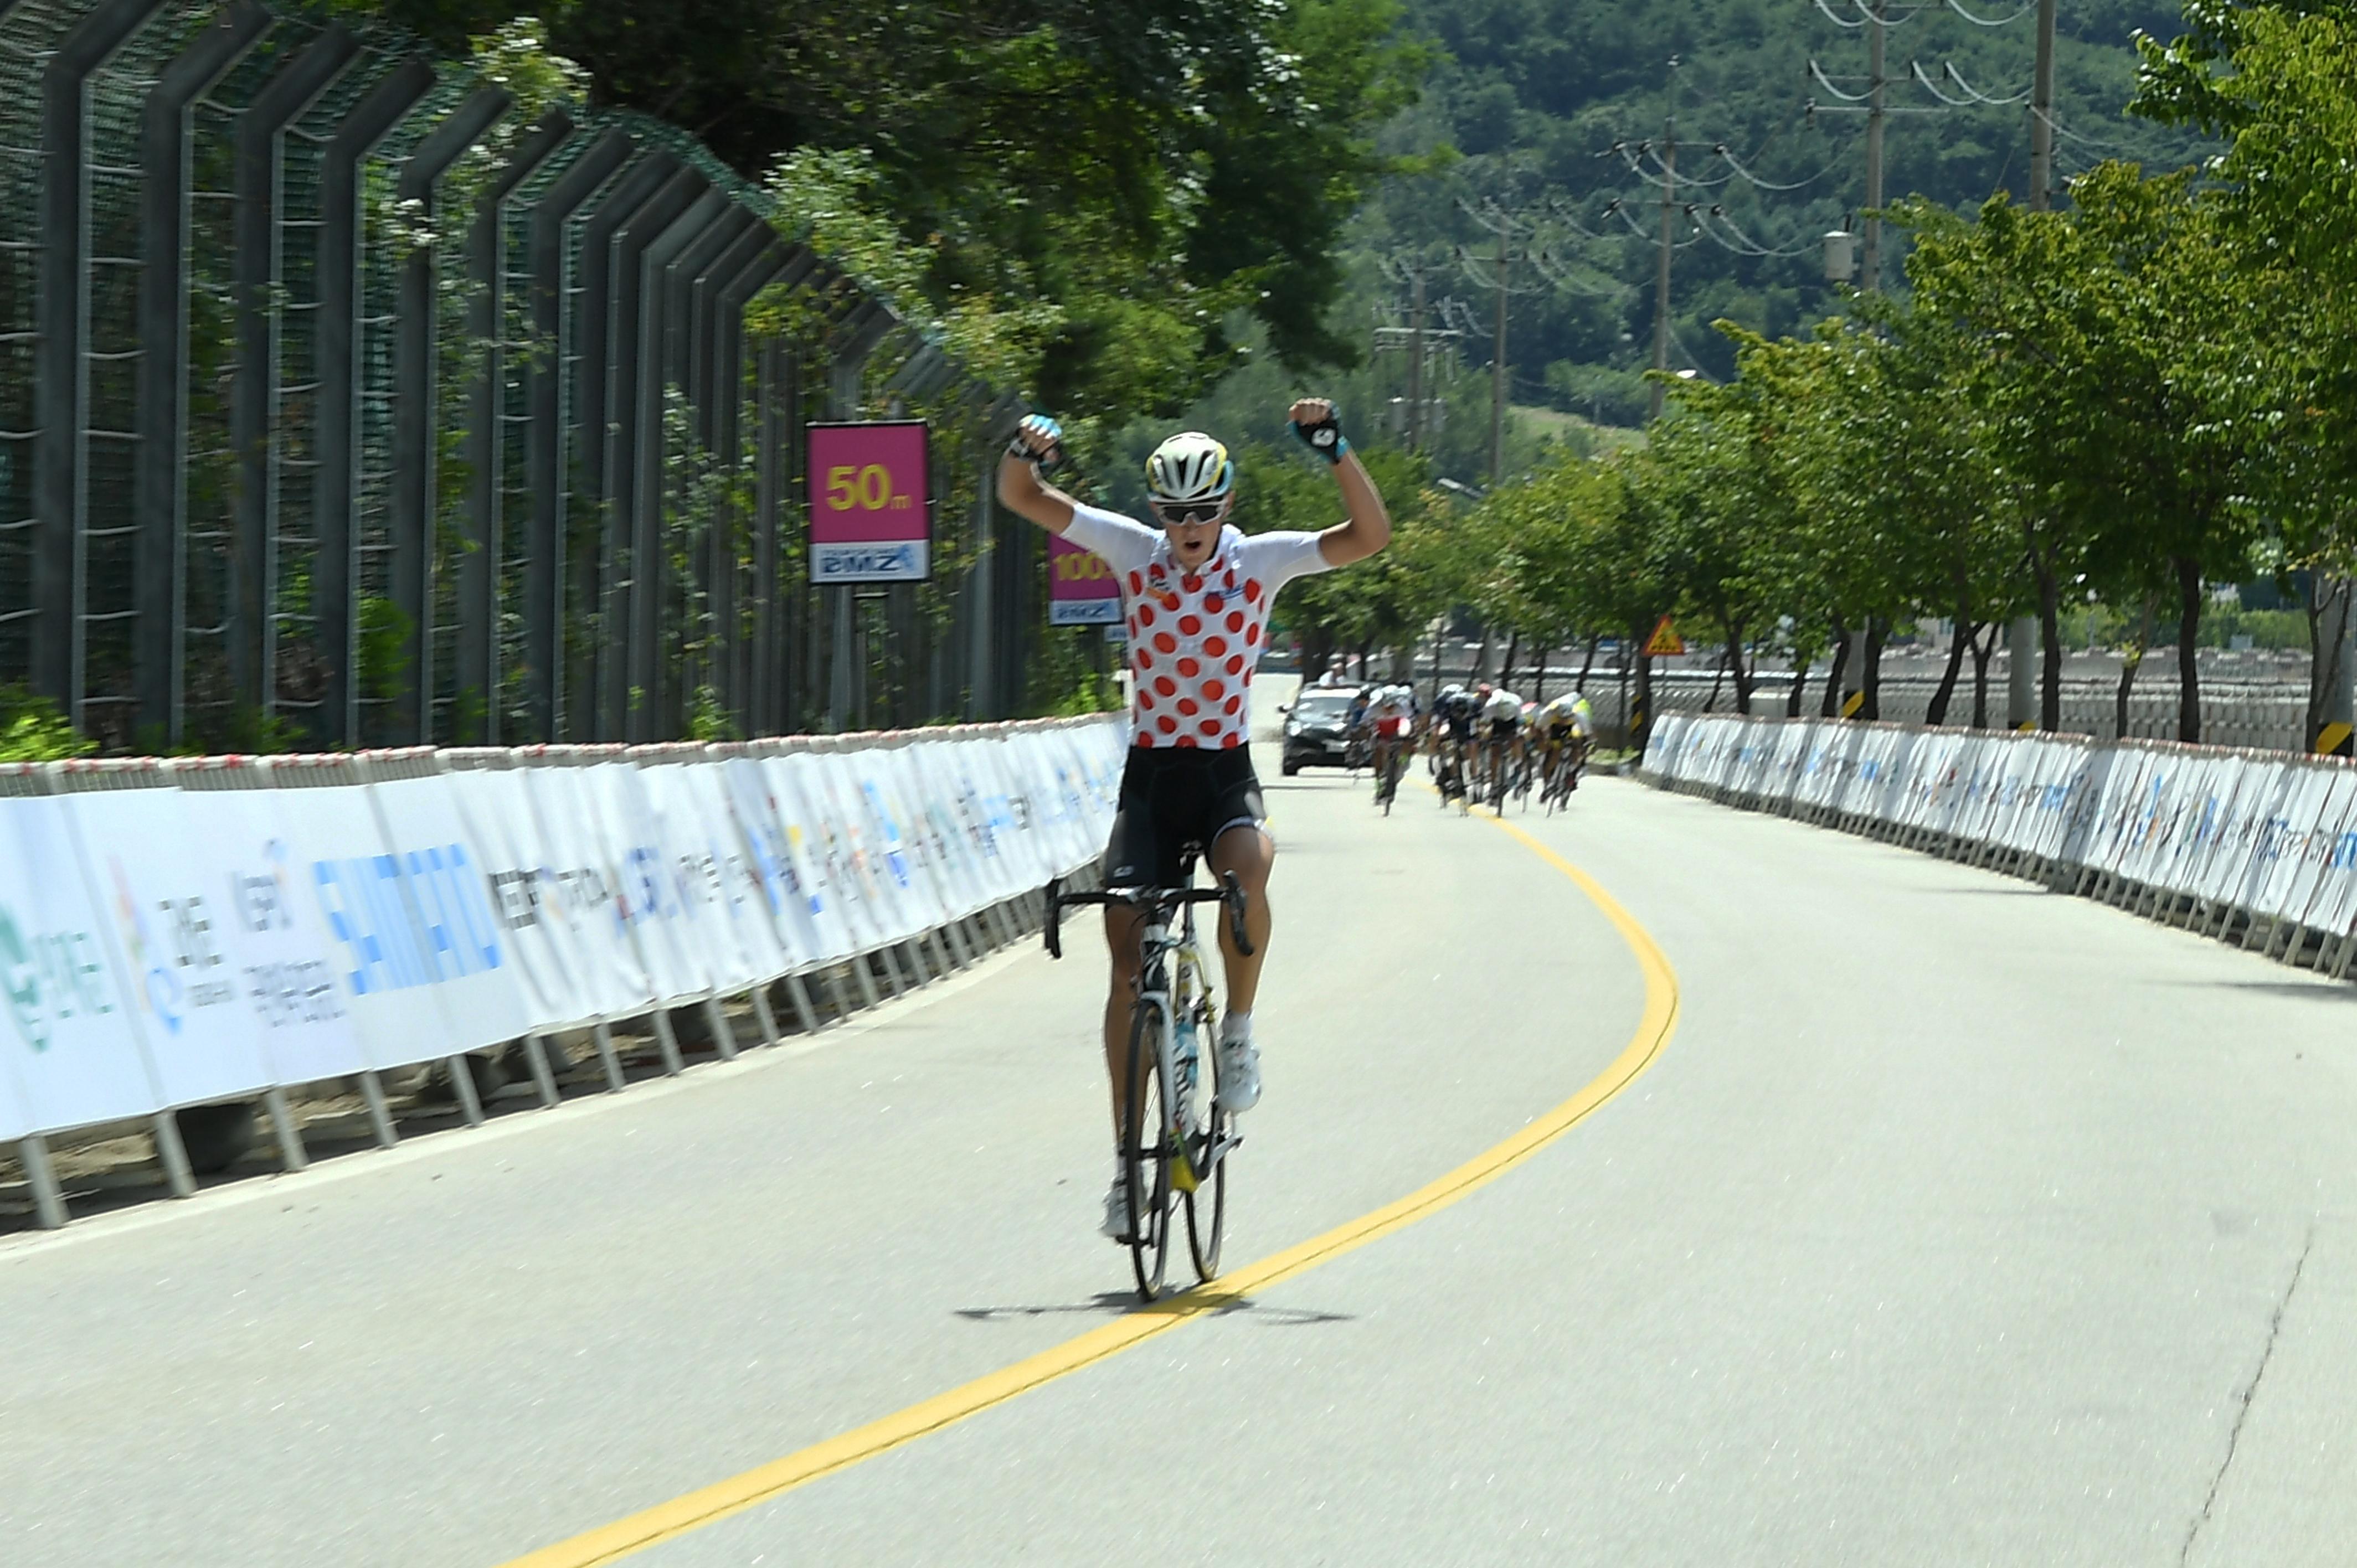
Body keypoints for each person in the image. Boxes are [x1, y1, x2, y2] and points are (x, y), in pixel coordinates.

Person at [996, 399, 1392, 1241]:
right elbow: (1023, 499)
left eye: (1203, 511)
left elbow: (1368, 537)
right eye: (1175, 513)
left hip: (1220, 773)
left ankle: (1239, 1033)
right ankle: (1121, 1170)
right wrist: (1023, 451)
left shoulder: (1262, 561)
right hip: (1149, 780)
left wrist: (1335, 449)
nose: (1188, 526)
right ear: (1156, 513)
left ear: (1226, 509)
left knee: (1248, 865)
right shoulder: (1133, 552)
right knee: (1124, 960)